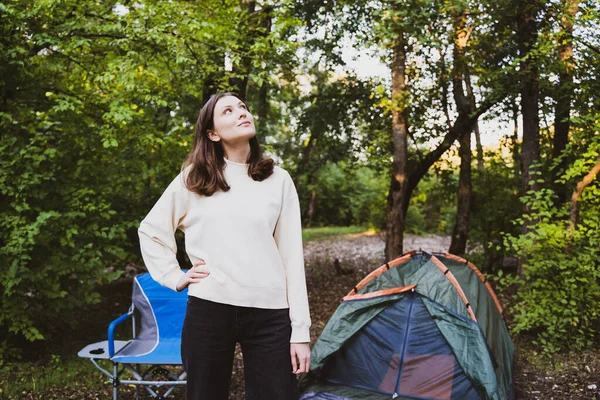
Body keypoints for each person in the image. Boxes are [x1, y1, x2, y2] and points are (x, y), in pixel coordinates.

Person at [138, 92, 311, 400]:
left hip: (270, 314)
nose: (241, 113)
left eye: (242, 107)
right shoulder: (195, 178)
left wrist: (300, 332)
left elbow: (292, 258)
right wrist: (175, 276)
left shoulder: (278, 180)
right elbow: (151, 230)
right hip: (209, 309)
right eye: (228, 111)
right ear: (213, 133)